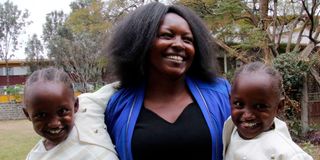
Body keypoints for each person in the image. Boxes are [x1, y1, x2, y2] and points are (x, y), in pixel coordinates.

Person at [103, 2, 231, 160]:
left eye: (188, 40)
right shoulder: (118, 105)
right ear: (142, 43)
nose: (179, 44)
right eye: (167, 35)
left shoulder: (222, 95)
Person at [223, 62, 313, 160]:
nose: (247, 115)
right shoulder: (230, 128)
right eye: (239, 104)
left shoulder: (287, 153)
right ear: (230, 100)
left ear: (279, 106)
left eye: (260, 106)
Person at [23, 67, 118, 160]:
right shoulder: (35, 157)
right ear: (27, 115)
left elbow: (118, 85)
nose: (54, 123)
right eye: (41, 115)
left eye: (62, 111)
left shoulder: (88, 105)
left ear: (76, 105)